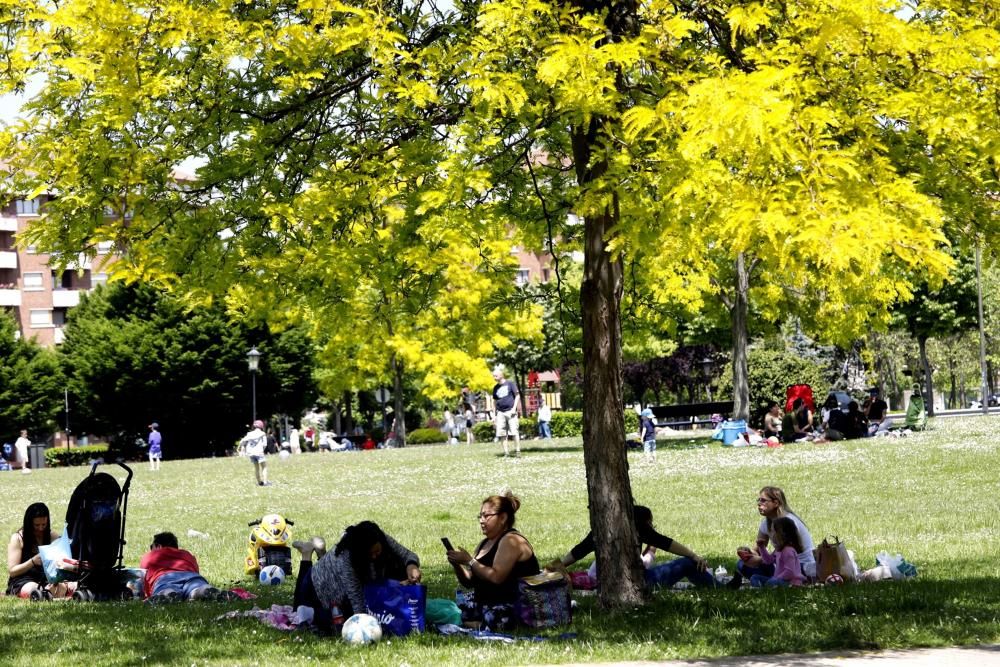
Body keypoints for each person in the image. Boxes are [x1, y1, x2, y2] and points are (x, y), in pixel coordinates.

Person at [291, 522, 421, 634]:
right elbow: (358, 607)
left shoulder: (378, 538)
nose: (375, 556)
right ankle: (306, 555)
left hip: (339, 577)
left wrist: (411, 566)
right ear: (361, 553)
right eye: (371, 554)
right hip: (316, 586)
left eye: (378, 551)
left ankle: (321, 555)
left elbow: (408, 554)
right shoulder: (346, 560)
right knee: (298, 611)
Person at [548, 505, 715, 589]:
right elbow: (666, 543)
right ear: (644, 522)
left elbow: (578, 551)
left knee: (689, 563)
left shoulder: (599, 532)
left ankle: (712, 585)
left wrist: (554, 567)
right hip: (640, 582)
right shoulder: (639, 529)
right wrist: (694, 556)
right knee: (687, 563)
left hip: (609, 584)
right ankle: (718, 587)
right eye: (650, 522)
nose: (651, 525)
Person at [446, 492, 540, 630]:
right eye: (480, 516)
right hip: (484, 604)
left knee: (487, 618)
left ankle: (473, 624)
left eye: (486, 516)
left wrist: (470, 561)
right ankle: (469, 623)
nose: (481, 521)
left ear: (503, 518)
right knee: (445, 610)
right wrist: (457, 564)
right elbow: (469, 582)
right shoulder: (485, 543)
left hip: (513, 607)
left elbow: (496, 577)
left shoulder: (512, 541)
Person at [728, 486, 815, 588]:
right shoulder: (766, 523)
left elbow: (788, 556)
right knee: (741, 564)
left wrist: (760, 560)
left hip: (799, 567)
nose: (759, 504)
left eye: (763, 500)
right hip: (779, 565)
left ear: (776, 503)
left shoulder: (788, 522)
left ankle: (774, 582)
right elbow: (758, 551)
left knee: (768, 573)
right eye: (759, 500)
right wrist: (748, 554)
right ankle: (770, 583)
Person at [6, 503, 75, 600]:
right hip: (23, 580)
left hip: (47, 579)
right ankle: (47, 595)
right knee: (34, 589)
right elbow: (12, 571)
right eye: (36, 525)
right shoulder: (18, 538)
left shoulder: (52, 536)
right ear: (29, 524)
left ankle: (50, 594)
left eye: (44, 524)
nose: (41, 528)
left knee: (69, 585)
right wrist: (33, 561)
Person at [140, 532, 233, 602]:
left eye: (151, 546)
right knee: (196, 589)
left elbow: (143, 576)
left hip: (165, 578)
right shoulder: (186, 554)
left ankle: (168, 594)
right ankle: (205, 590)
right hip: (191, 576)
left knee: (166, 589)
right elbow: (195, 569)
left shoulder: (151, 555)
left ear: (158, 546)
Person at [750, 517, 806, 587]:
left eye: (773, 531)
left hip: (790, 582)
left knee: (771, 582)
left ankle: (765, 588)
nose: (771, 534)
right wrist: (762, 547)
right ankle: (761, 589)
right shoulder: (779, 549)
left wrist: (776, 578)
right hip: (778, 579)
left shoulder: (788, 551)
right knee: (754, 577)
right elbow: (768, 561)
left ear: (781, 534)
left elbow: (790, 572)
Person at [491, 366, 521, 457]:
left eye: (495, 376)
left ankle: (518, 451)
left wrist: (514, 409)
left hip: (510, 412)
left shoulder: (510, 384)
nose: (494, 378)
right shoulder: (495, 388)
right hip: (500, 413)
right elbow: (495, 401)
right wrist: (494, 415)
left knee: (514, 432)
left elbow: (517, 396)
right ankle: (506, 453)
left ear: (501, 375)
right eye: (493, 376)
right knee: (501, 433)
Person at [239, 420, 270, 486]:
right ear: (261, 426)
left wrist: (241, 448)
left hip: (251, 453)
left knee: (256, 468)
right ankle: (265, 482)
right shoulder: (262, 434)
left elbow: (243, 441)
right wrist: (262, 450)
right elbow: (265, 444)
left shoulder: (249, 434)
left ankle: (259, 482)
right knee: (264, 467)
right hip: (259, 452)